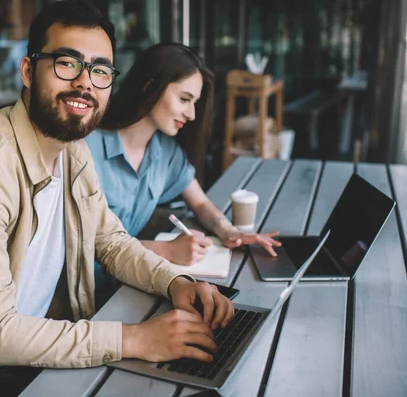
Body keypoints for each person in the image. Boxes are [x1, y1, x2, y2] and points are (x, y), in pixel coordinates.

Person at [0, 1, 234, 396]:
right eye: (67, 63)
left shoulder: (73, 150)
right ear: (29, 72)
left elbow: (110, 242)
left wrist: (176, 283)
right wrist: (133, 339)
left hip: (36, 351)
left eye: (100, 70)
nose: (85, 83)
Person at [85, 43, 281, 308]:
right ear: (149, 86)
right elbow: (81, 247)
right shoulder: (87, 148)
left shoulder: (165, 151)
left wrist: (227, 230)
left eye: (194, 103)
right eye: (184, 99)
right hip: (89, 300)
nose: (191, 115)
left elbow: (199, 202)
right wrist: (166, 251)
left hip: (134, 285)